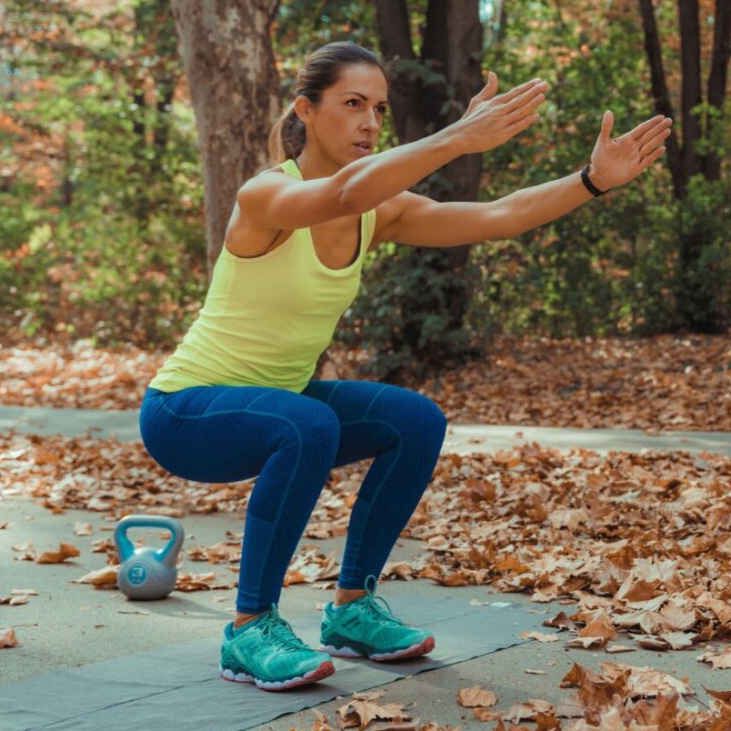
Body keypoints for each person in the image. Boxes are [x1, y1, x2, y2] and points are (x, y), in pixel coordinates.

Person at [140, 41, 671, 692]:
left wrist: (590, 180)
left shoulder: (377, 210)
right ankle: (250, 628)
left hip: (280, 406)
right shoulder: (266, 194)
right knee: (306, 422)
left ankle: (352, 609)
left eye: (379, 109)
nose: (369, 122)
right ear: (305, 110)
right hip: (184, 412)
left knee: (413, 420)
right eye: (352, 104)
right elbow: (342, 191)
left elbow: (499, 216)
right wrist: (456, 137)